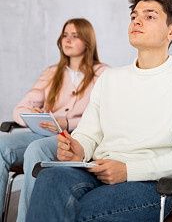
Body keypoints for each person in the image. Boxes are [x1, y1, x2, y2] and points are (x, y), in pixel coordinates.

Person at [26, 0, 172, 222]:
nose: (137, 21)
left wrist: (127, 171)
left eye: (150, 16)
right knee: (49, 179)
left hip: (149, 185)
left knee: (75, 211)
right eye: (134, 16)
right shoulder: (110, 78)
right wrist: (78, 149)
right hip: (96, 170)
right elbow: (88, 135)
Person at [0, 18, 109, 222]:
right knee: (1, 144)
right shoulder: (52, 73)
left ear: (87, 41)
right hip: (42, 132)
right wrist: (34, 115)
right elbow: (20, 109)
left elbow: (105, 115)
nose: (67, 40)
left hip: (72, 136)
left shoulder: (103, 74)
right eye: (65, 35)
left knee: (37, 149)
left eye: (75, 36)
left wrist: (67, 122)